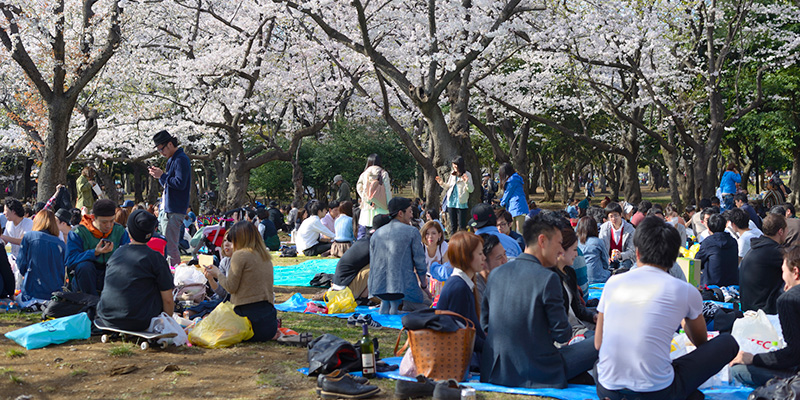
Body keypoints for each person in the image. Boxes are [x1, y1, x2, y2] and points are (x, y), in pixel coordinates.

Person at [595, 216, 739, 400]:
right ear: (674, 260)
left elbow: (599, 344)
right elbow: (700, 342)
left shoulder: (613, 283)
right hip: (657, 392)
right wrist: (683, 317)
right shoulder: (685, 291)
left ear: (637, 253)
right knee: (727, 343)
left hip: (607, 389)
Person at [481, 212, 598, 388]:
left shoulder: (496, 274)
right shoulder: (547, 278)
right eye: (559, 243)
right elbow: (562, 333)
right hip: (538, 370)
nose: (560, 250)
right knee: (603, 340)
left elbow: (486, 325)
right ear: (542, 241)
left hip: (496, 369)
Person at [730, 245, 800, 387]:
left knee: (738, 370)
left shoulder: (788, 300)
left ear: (795, 272)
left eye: (783, 271)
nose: (783, 276)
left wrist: (754, 359)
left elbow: (793, 354)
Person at [95, 210, 174, 331]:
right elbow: (168, 300)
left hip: (107, 317)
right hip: (139, 321)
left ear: (129, 231)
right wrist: (168, 323)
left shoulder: (117, 253)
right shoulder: (156, 258)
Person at [204, 221, 278, 341]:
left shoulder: (240, 255)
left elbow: (230, 287)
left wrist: (218, 273)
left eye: (233, 240)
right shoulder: (265, 256)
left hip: (248, 323)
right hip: (269, 324)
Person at [369, 197, 429, 315]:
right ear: (400, 213)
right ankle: (394, 311)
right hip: (401, 288)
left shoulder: (377, 234)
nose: (411, 215)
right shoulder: (412, 232)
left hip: (377, 287)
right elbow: (420, 263)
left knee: (389, 297)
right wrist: (424, 285)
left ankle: (387, 309)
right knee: (427, 304)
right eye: (410, 212)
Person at [436, 231, 486, 370]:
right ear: (466, 257)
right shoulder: (459, 288)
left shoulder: (462, 284)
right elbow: (461, 333)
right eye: (480, 254)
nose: (484, 258)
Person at [66, 199, 131, 295]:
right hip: (87, 278)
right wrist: (94, 253)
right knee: (85, 266)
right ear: (93, 218)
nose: (108, 225)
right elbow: (70, 260)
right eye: (104, 222)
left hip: (111, 273)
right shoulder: (78, 232)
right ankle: (90, 304)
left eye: (112, 221)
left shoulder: (119, 230)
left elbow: (129, 255)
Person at [148, 130, 192, 266]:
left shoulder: (181, 159)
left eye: (162, 149)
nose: (161, 153)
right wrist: (159, 176)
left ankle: (174, 274)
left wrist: (162, 176)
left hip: (175, 209)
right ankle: (171, 272)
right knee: (166, 245)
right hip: (168, 208)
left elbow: (180, 183)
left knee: (170, 246)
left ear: (170, 144)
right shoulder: (172, 160)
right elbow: (169, 184)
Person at [15, 210, 68, 309]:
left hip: (32, 291)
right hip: (54, 293)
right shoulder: (61, 243)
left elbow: (21, 265)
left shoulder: (29, 237)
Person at [554, 227, 597, 338]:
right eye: (574, 250)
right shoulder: (550, 278)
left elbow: (577, 308)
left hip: (579, 324)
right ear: (562, 250)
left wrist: (593, 316)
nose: (576, 254)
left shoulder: (570, 272)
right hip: (568, 334)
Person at [740, 213, 787, 314]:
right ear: (781, 231)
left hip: (748, 305)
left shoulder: (757, 246)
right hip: (765, 309)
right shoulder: (775, 252)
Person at [695, 213, 739, 286]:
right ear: (725, 226)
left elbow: (697, 261)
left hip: (712, 283)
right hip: (733, 281)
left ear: (708, 228)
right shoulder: (733, 241)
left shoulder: (708, 243)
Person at [436, 156, 474, 233]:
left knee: (462, 226)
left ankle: (461, 243)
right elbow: (448, 186)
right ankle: (452, 243)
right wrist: (442, 183)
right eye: (453, 164)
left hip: (461, 202)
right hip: (451, 202)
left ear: (460, 165)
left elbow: (471, 190)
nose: (454, 166)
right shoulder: (452, 174)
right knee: (453, 226)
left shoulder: (467, 174)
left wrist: (466, 182)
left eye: (456, 164)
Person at [356, 154, 392, 229]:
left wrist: (367, 200)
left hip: (368, 208)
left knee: (368, 231)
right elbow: (387, 190)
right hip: (381, 208)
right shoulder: (383, 173)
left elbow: (359, 188)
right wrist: (389, 205)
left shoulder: (364, 174)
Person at [598, 202, 636, 270]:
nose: (613, 219)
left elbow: (632, 251)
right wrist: (606, 258)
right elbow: (601, 247)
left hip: (625, 259)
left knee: (623, 268)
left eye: (616, 215)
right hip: (609, 259)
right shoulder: (604, 228)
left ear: (621, 215)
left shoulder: (630, 229)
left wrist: (621, 255)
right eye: (611, 216)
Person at [576, 216, 610, 285]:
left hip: (580, 278)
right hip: (598, 278)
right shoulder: (598, 242)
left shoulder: (576, 243)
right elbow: (606, 263)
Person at [421, 220, 449, 299]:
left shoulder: (443, 247)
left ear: (439, 235)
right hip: (423, 282)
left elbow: (446, 269)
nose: (430, 236)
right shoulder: (420, 247)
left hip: (439, 282)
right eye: (427, 233)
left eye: (434, 233)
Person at [498, 163, 529, 233]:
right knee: (512, 229)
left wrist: (502, 203)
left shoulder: (513, 180)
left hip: (518, 205)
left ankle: (526, 243)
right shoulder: (514, 178)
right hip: (513, 206)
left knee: (520, 228)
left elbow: (508, 193)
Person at [475, 234, 507, 301]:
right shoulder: (476, 288)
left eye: (505, 254)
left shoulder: (505, 279)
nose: (505, 261)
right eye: (499, 258)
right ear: (483, 261)